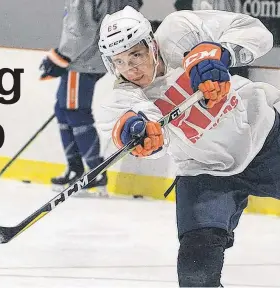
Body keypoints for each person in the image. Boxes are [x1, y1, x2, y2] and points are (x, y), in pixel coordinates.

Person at [97, 6, 279, 287]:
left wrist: (221, 52)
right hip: (205, 173)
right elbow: (131, 130)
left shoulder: (180, 30)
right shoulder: (121, 98)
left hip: (265, 137)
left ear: (152, 45)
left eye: (136, 54)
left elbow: (258, 32)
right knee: (196, 275)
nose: (130, 68)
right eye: (119, 61)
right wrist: (140, 134)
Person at [39, 0, 143, 195]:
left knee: (74, 111)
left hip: (82, 59)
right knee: (63, 109)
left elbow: (80, 30)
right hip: (98, 56)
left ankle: (94, 172)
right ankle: (76, 169)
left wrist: (60, 56)